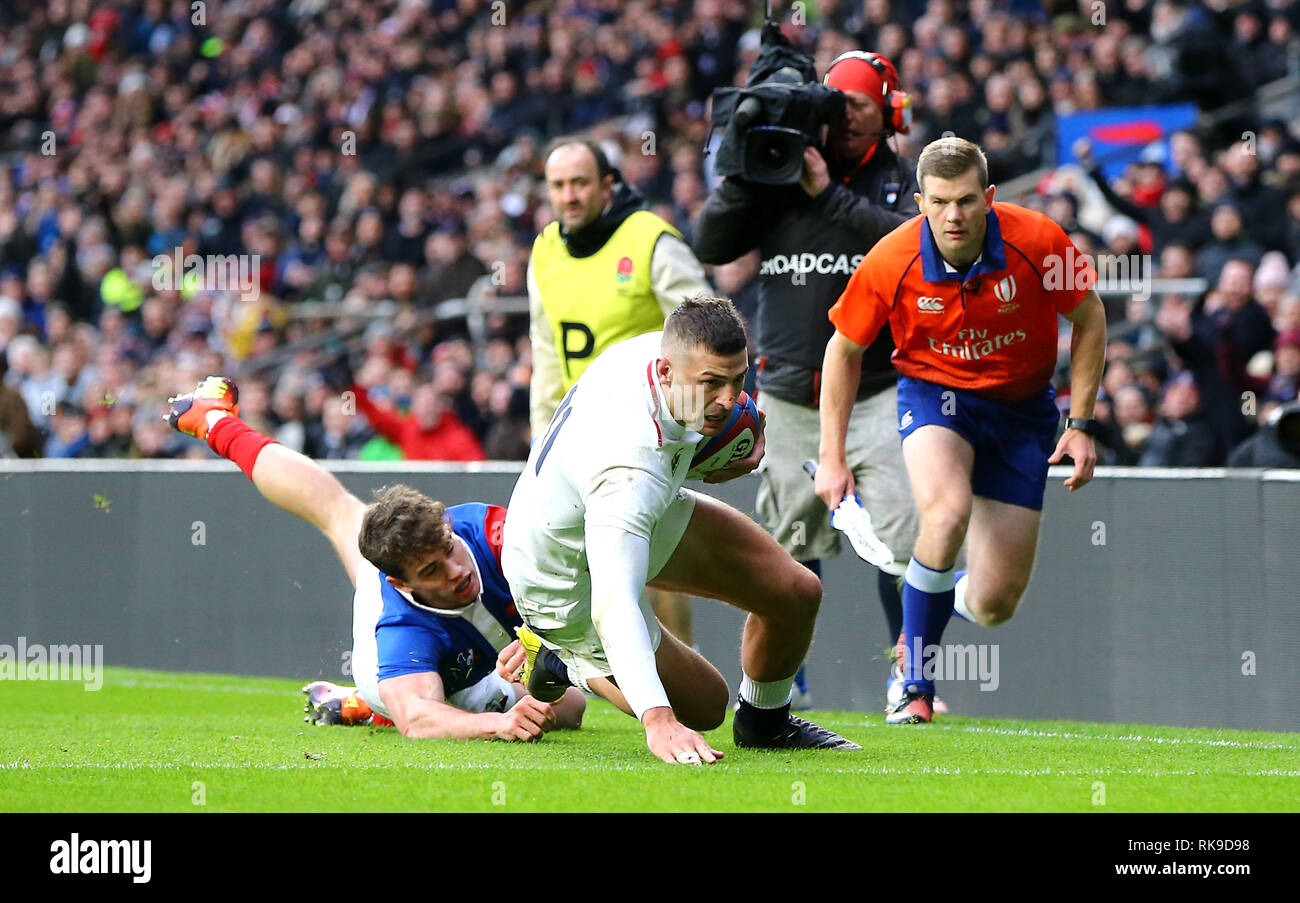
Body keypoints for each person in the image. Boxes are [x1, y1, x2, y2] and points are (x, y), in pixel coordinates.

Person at [816, 137, 1107, 724]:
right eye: (942, 202)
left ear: (990, 198)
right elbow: (843, 348)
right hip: (934, 400)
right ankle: (913, 681)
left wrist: (1080, 424)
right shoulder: (890, 258)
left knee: (996, 604)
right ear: (920, 201)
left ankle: (928, 589)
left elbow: (1090, 316)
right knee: (945, 515)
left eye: (968, 201)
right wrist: (831, 455)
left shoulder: (1040, 241)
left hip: (1023, 413)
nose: (955, 216)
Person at [503, 296, 860, 765]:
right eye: (712, 384)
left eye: (738, 380)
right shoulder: (629, 469)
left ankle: (765, 724)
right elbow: (614, 602)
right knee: (705, 704)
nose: (729, 400)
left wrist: (720, 449)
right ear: (666, 371)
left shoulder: (668, 356)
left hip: (596, 509)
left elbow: (685, 427)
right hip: (563, 575)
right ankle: (558, 659)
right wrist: (658, 719)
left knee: (795, 591)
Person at [164, 376, 585, 741]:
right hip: (423, 678)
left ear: (447, 524)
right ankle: (369, 705)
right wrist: (496, 724)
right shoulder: (399, 624)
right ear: (402, 583)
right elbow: (418, 720)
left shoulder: (490, 530)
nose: (456, 571)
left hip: (456, 613)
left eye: (448, 551)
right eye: (432, 570)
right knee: (564, 707)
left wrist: (546, 640)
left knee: (338, 508)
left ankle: (213, 419)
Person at [694, 50, 922, 710]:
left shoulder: (900, 181)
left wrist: (830, 196)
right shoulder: (778, 172)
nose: (849, 116)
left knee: (904, 536)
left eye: (863, 105)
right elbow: (712, 244)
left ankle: (909, 676)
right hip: (792, 387)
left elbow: (908, 249)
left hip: (877, 385)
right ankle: (781, 683)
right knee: (790, 545)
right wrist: (741, 170)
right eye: (839, 103)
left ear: (888, 112)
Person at [530, 136, 713, 645]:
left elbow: (706, 327)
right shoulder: (544, 250)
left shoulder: (651, 240)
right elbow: (545, 353)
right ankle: (593, 678)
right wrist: (540, 438)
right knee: (576, 558)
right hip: (579, 431)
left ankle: (682, 678)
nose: (569, 195)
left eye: (580, 183)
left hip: (649, 425)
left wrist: (700, 415)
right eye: (558, 186)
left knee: (650, 558)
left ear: (608, 185)